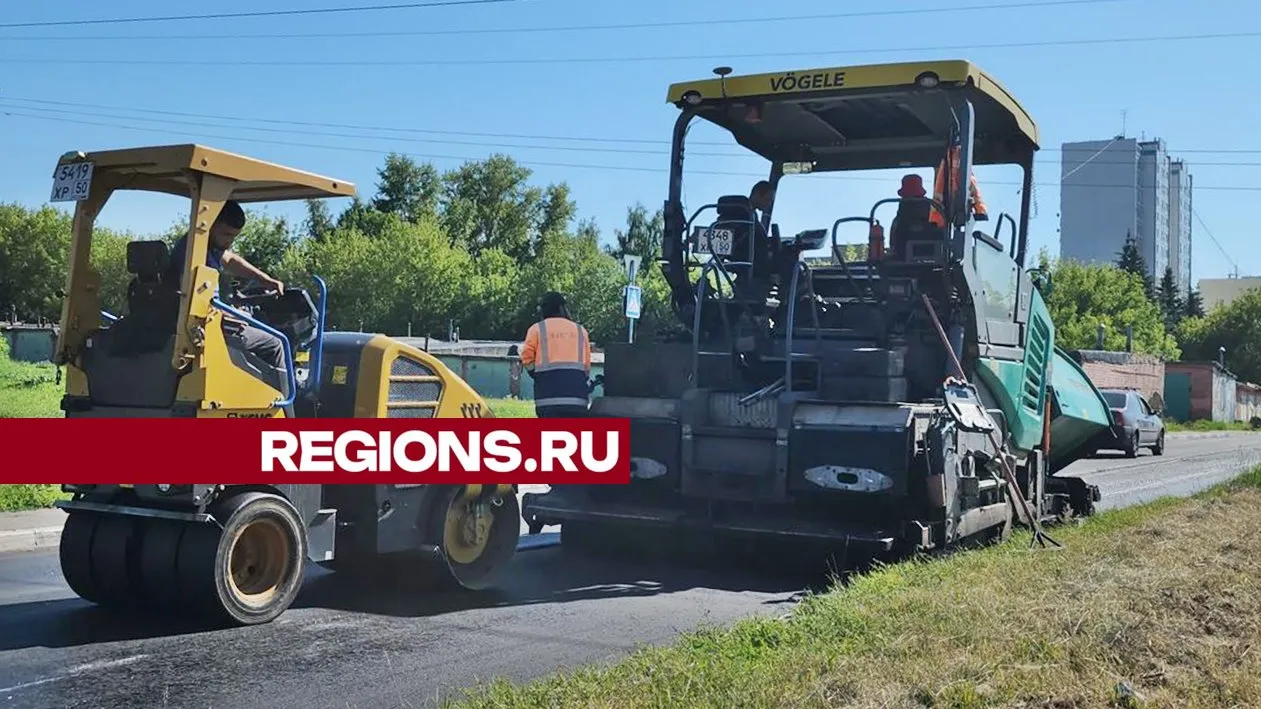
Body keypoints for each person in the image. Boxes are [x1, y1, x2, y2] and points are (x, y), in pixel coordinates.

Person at [165, 200, 287, 373]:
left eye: (233, 236)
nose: (229, 241)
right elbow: (197, 304)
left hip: (200, 323)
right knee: (275, 343)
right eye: (226, 234)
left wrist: (265, 279)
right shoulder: (195, 255)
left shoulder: (200, 245)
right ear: (212, 224)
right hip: (202, 330)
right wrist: (232, 315)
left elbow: (229, 259)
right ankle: (284, 399)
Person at [519, 292, 592, 418]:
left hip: (547, 401)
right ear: (562, 308)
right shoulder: (581, 331)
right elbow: (586, 368)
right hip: (577, 401)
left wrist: (535, 374)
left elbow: (526, 358)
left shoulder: (536, 330)